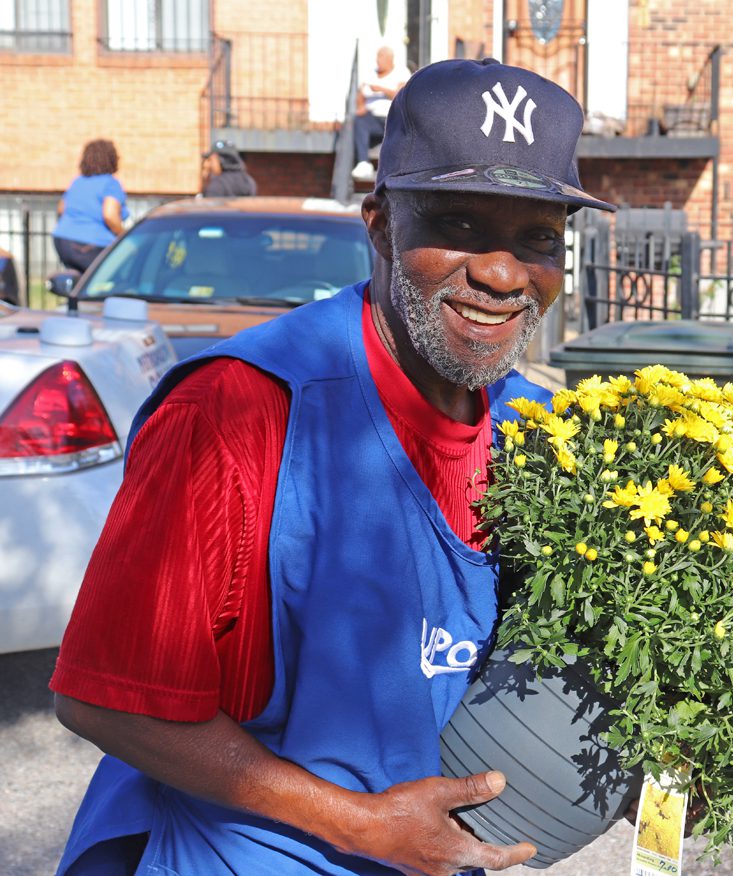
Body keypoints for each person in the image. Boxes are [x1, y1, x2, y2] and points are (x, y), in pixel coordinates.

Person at [50, 57, 614, 876]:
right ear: (381, 225)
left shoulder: (538, 432)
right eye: (457, 226)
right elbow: (103, 694)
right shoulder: (237, 414)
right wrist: (356, 823)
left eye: (537, 239)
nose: (501, 273)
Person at [52, 139, 128, 273]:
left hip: (62, 240)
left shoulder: (77, 182)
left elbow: (61, 210)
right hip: (91, 245)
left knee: (79, 282)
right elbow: (109, 215)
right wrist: (124, 235)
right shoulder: (110, 183)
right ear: (112, 159)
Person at [351, 46, 411, 182]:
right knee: (359, 120)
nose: (378, 60)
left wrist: (380, 89)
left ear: (390, 59)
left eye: (381, 57)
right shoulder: (370, 74)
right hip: (373, 119)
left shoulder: (401, 73)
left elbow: (400, 95)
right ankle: (363, 163)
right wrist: (361, 106)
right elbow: (360, 96)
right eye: (377, 57)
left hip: (392, 119)